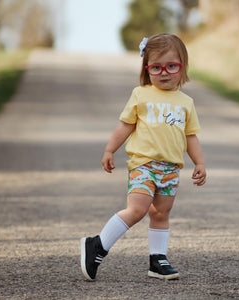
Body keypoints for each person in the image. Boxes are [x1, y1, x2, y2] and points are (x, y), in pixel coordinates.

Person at [81, 33, 206, 281]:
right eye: (156, 67)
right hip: (144, 164)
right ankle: (97, 245)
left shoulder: (186, 102)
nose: (164, 72)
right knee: (137, 210)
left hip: (170, 168)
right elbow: (125, 125)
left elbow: (190, 136)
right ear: (146, 69)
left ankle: (157, 260)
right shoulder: (141, 95)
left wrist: (199, 162)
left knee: (161, 213)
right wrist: (109, 150)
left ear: (182, 67)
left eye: (172, 66)